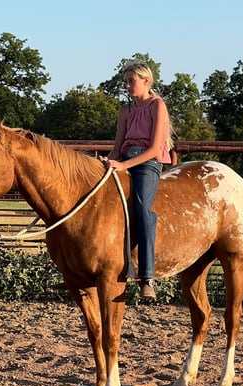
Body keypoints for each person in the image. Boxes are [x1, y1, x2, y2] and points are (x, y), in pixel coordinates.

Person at [103, 61, 172, 299]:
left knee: (143, 209)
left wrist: (123, 165)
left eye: (131, 81)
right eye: (126, 82)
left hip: (147, 163)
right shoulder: (125, 110)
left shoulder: (157, 106)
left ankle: (147, 277)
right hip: (124, 157)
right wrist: (107, 163)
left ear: (146, 81)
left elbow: (155, 149)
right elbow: (117, 146)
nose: (128, 86)